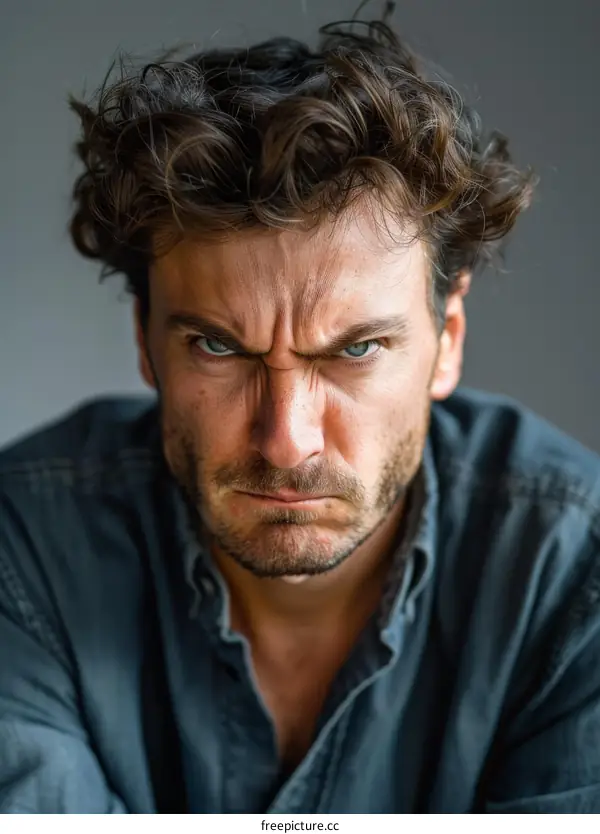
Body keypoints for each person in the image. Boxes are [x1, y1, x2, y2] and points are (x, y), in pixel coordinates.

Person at [1, 13, 599, 816]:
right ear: (145, 342)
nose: (287, 441)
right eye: (219, 348)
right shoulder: (23, 552)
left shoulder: (573, 572)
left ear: (446, 341)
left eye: (354, 351)